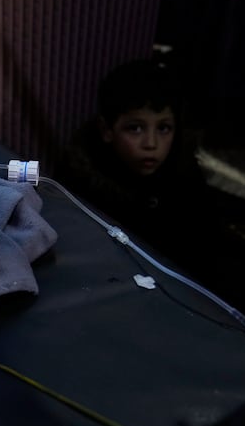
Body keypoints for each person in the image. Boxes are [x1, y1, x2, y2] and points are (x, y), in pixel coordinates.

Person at [55, 58, 217, 276]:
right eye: (135, 128)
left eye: (164, 128)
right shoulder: (81, 182)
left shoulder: (185, 179)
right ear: (106, 130)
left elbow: (201, 251)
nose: (151, 143)